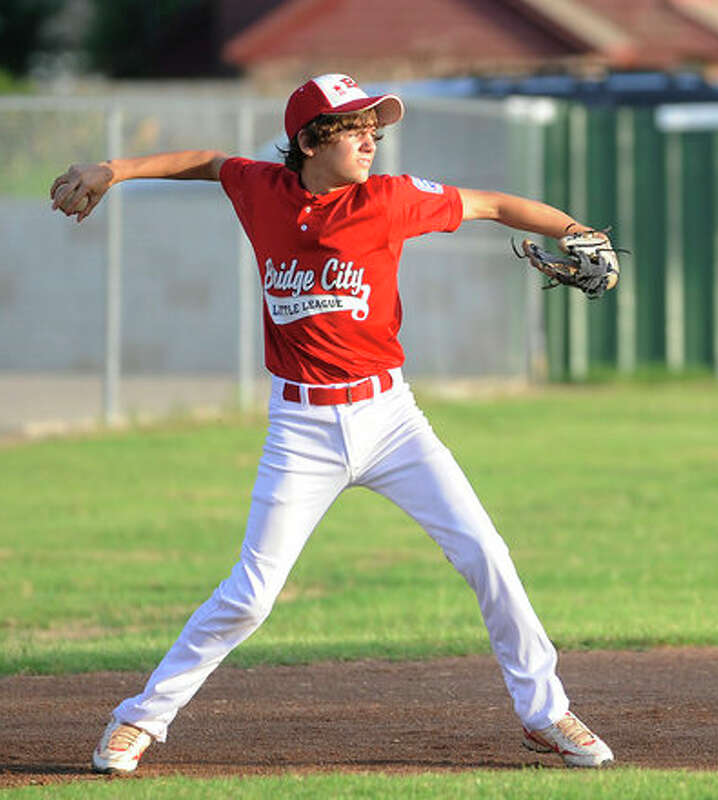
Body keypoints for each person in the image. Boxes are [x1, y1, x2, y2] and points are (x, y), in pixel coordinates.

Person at [50, 73, 619, 774]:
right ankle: (139, 719)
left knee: (486, 554)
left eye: (374, 126)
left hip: (392, 420)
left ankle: (545, 712)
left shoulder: (390, 200)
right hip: (301, 429)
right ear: (312, 139)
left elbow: (491, 202)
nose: (371, 137)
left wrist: (576, 230)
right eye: (356, 127)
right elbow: (205, 163)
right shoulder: (262, 189)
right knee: (252, 595)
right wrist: (113, 169)